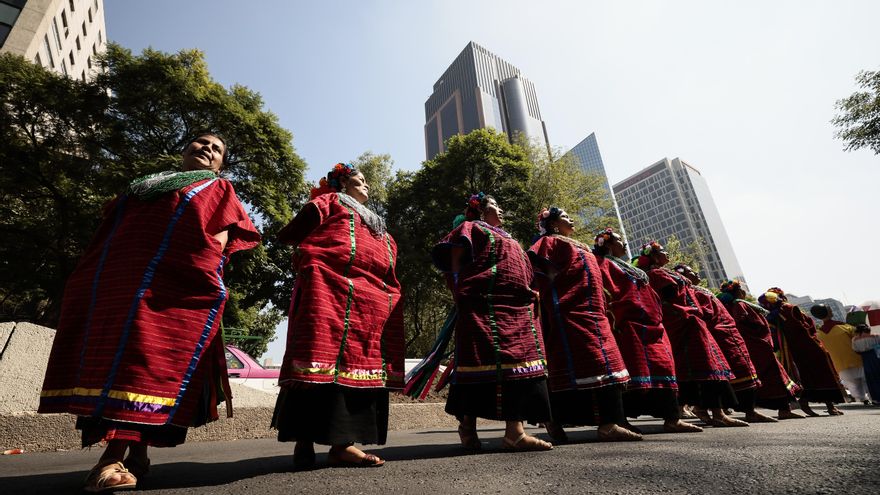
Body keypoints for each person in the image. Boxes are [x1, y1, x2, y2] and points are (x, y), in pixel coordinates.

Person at [38, 133, 261, 491]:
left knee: (143, 365)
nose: (207, 149)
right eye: (200, 143)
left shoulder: (217, 190)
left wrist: (202, 278)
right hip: (117, 284)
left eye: (217, 149)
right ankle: (136, 454)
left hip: (170, 288)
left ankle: (110, 460)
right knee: (119, 361)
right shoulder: (144, 186)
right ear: (183, 150)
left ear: (221, 164)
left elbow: (218, 242)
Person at [272, 163, 405, 469]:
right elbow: (296, 231)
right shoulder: (330, 202)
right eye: (359, 180)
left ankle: (342, 446)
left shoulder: (378, 224)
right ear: (342, 184)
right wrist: (310, 260)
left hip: (369, 300)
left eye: (367, 182)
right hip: (328, 288)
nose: (366, 185)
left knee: (359, 365)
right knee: (315, 357)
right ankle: (302, 441)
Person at [432, 193, 553, 452]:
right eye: (496, 206)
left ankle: (515, 432)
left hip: (519, 308)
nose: (501, 210)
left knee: (521, 365)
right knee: (478, 364)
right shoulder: (469, 228)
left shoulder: (511, 239)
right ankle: (467, 425)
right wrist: (459, 294)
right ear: (481, 210)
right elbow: (453, 265)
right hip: (481, 305)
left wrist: (532, 292)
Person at [527, 210, 641, 442]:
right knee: (577, 364)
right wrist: (553, 304)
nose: (571, 219)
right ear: (553, 223)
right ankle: (553, 420)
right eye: (565, 216)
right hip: (568, 313)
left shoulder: (580, 246)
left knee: (607, 363)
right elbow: (539, 274)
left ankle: (609, 424)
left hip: (595, 313)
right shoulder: (548, 243)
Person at [593, 229, 703, 434]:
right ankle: (621, 420)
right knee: (630, 369)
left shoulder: (627, 267)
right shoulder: (601, 264)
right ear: (607, 244)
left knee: (664, 365)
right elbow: (608, 292)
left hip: (653, 324)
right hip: (627, 325)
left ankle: (672, 418)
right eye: (619, 240)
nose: (624, 244)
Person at [635, 242, 745, 427]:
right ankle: (713, 412)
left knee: (710, 365)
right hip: (683, 324)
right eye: (663, 251)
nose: (667, 253)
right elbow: (663, 301)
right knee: (702, 366)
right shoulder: (656, 274)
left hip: (693, 323)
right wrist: (683, 312)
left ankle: (713, 410)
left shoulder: (665, 272)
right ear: (654, 256)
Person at [674, 265, 773, 423]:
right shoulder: (691, 292)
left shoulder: (700, 290)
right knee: (715, 375)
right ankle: (707, 410)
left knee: (738, 372)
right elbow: (703, 313)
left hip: (729, 335)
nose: (695, 273)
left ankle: (749, 411)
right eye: (690, 272)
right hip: (717, 335)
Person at [717, 281, 804, 419]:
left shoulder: (732, 306)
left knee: (769, 376)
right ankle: (781, 410)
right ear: (739, 292)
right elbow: (746, 323)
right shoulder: (740, 305)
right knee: (774, 375)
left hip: (753, 345)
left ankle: (782, 409)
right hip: (757, 345)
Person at [758, 288, 845, 416]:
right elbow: (804, 326)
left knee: (809, 377)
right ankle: (825, 405)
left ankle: (818, 403)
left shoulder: (771, 315)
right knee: (824, 373)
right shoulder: (789, 308)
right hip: (809, 345)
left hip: (793, 350)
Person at [811, 304, 869, 404]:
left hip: (839, 365)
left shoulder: (818, 334)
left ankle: (863, 399)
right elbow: (859, 339)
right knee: (866, 381)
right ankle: (873, 398)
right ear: (829, 312)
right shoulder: (844, 327)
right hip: (856, 359)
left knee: (853, 384)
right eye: (829, 308)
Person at [852, 324, 880, 404]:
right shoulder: (875, 337)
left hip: (866, 359)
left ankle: (876, 398)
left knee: (871, 379)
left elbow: (856, 350)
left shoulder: (854, 340)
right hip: (876, 357)